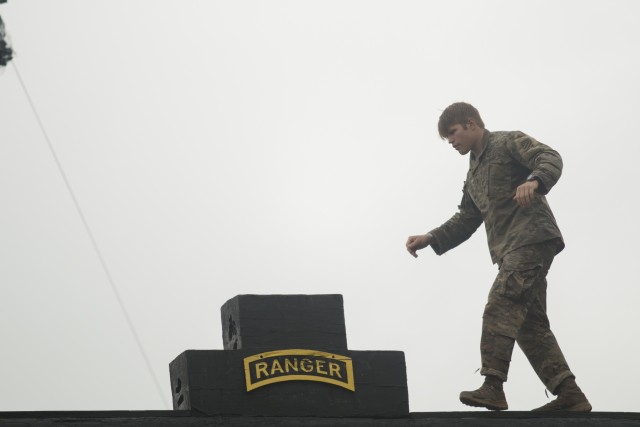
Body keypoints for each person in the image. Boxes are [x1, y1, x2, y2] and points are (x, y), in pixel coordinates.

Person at [406, 102, 591, 412]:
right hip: (509, 252)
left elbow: (549, 157)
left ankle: (493, 385)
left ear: (470, 124)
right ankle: (569, 394)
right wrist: (432, 238)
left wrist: (535, 181)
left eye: (453, 133)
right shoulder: (474, 172)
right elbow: (467, 217)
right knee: (528, 325)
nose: (451, 141)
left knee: (502, 304)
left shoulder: (506, 142)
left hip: (531, 238)